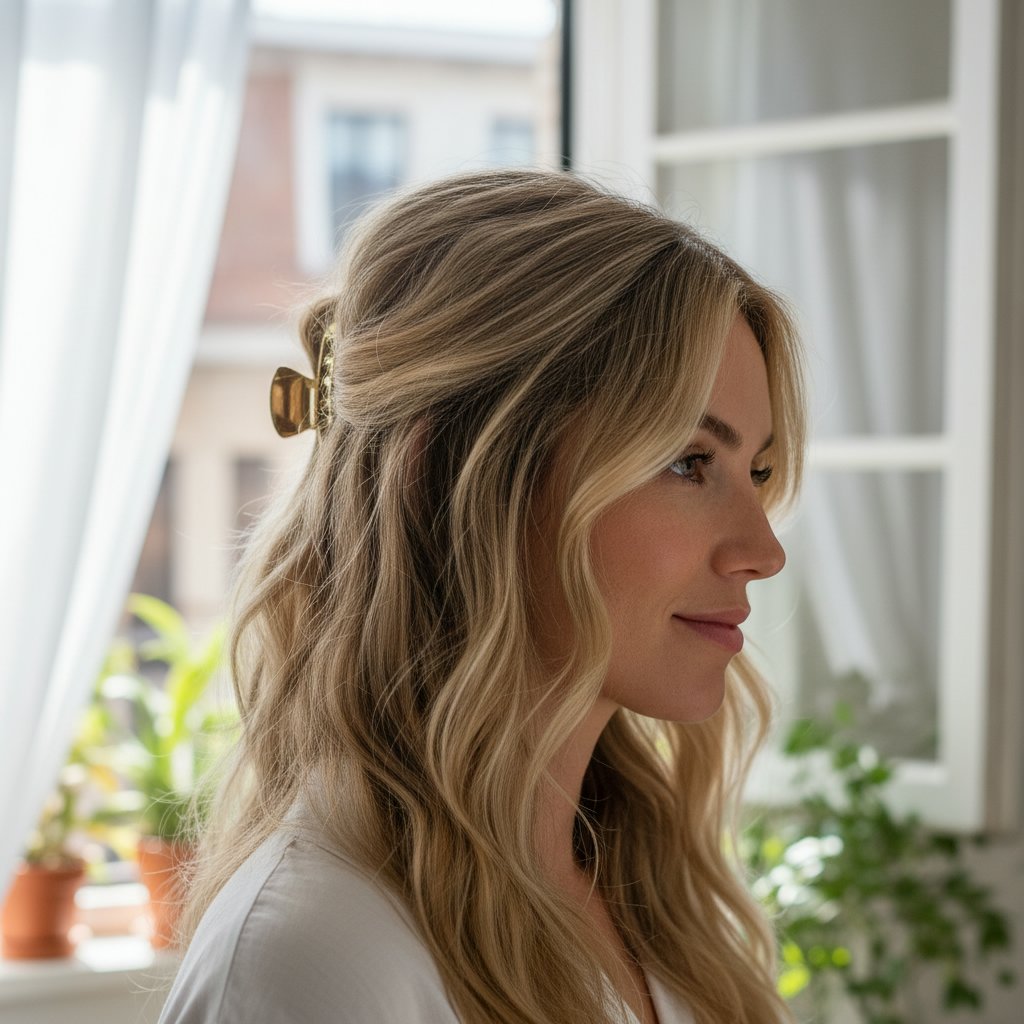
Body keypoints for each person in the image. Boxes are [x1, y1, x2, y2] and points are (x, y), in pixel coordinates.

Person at [158, 168, 806, 1024]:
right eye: (688, 462)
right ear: (447, 472)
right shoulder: (315, 962)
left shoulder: (653, 904)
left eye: (756, 472)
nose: (763, 552)